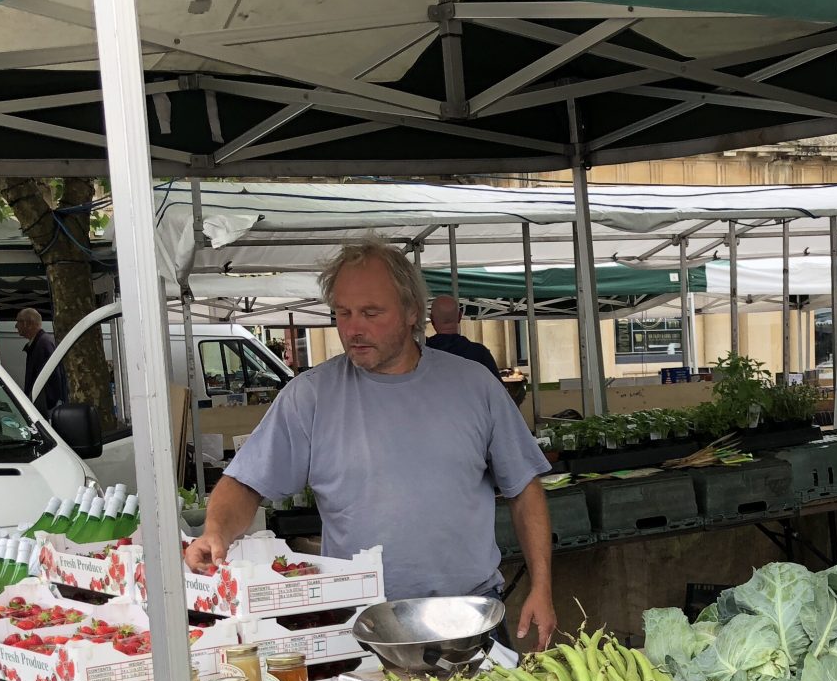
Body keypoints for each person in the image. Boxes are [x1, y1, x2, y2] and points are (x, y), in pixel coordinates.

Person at [185, 241, 558, 646]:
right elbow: (245, 482)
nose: (353, 328)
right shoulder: (310, 396)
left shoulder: (475, 385)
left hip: (468, 617)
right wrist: (216, 531)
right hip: (360, 625)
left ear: (412, 311)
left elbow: (524, 488)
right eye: (342, 313)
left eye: (370, 312)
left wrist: (542, 585)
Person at [426, 294, 502, 380]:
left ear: (432, 320)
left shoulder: (420, 355)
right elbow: (498, 390)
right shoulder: (480, 354)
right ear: (459, 316)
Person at [16, 308, 68, 413]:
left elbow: (53, 379)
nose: (16, 326)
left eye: (19, 321)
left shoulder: (43, 344)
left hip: (45, 408)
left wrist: (45, 406)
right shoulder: (41, 343)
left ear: (29, 323)